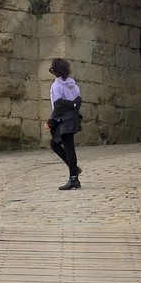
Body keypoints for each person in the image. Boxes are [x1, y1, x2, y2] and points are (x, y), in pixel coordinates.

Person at [46, 57, 83, 190]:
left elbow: (58, 105)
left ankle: (74, 178)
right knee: (56, 144)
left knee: (67, 147)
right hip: (72, 118)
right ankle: (74, 170)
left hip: (63, 120)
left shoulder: (57, 86)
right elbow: (76, 103)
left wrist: (51, 122)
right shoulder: (74, 86)